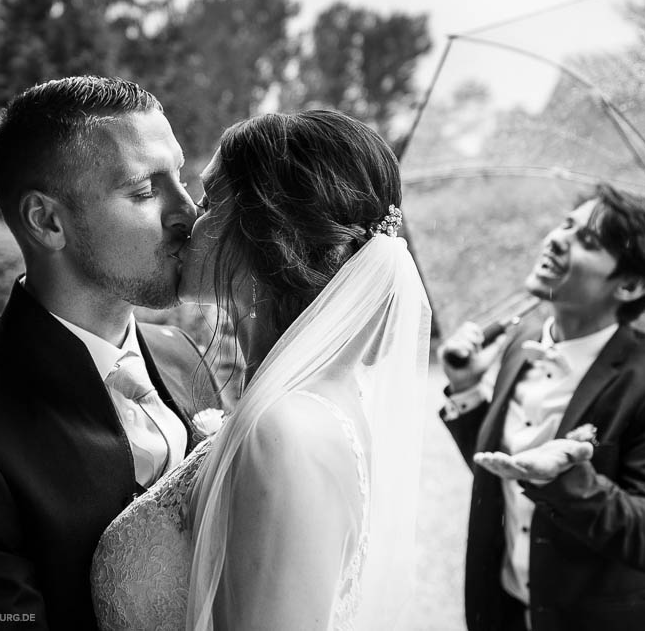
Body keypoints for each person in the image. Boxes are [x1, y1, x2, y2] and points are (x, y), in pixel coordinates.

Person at [0, 76, 222, 630]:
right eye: (145, 190)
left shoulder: (181, 356)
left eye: (179, 178)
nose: (189, 213)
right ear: (47, 221)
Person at [91, 110, 433, 630]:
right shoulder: (310, 399)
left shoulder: (285, 428)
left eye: (208, 200)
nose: (185, 216)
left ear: (265, 234)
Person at [437, 183, 645, 631]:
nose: (556, 238)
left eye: (587, 241)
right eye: (567, 224)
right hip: (506, 612)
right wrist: (468, 389)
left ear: (630, 285)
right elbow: (504, 470)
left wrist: (568, 477)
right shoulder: (520, 341)